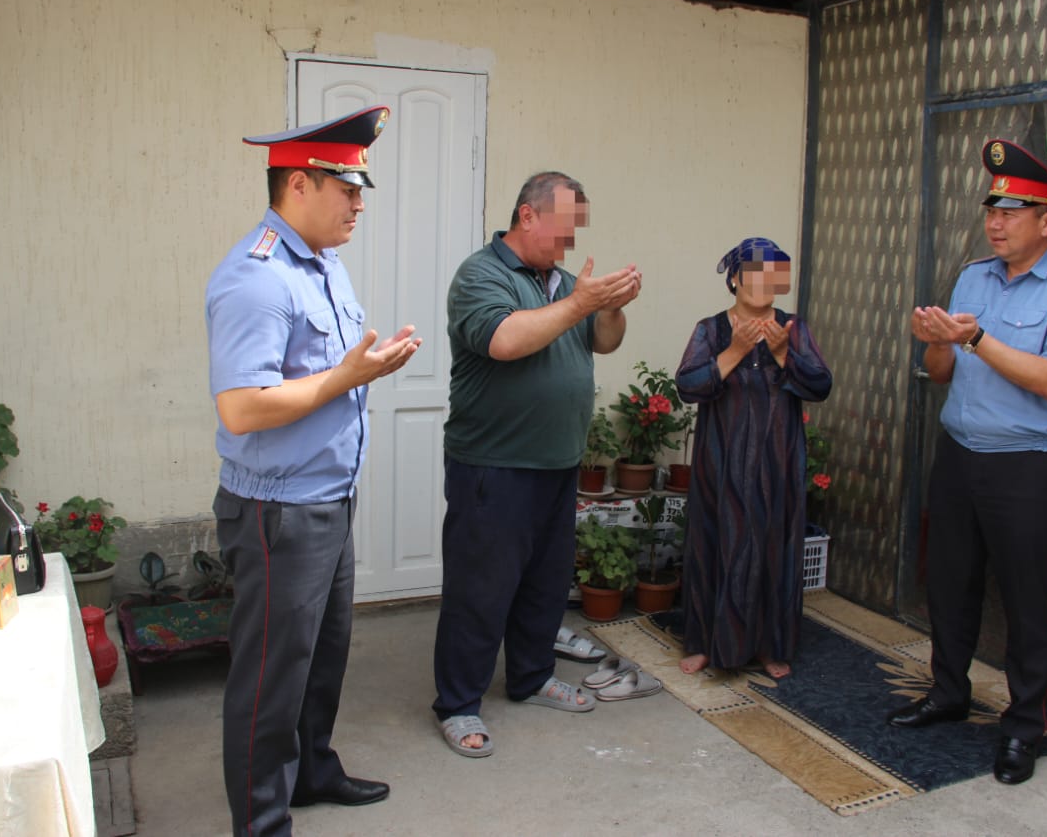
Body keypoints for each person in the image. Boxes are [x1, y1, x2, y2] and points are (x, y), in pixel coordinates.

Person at [205, 105, 422, 835]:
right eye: (347, 188)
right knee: (270, 679)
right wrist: (347, 376)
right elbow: (243, 408)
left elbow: (324, 371)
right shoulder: (258, 278)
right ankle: (261, 821)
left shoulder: (323, 262)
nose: (360, 203)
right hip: (280, 513)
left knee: (322, 657)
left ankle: (312, 771)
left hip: (328, 498)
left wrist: (366, 368)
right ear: (299, 184)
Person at [887, 138, 1047, 786]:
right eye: (992, 210)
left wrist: (977, 337)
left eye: (1012, 212)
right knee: (950, 582)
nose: (996, 222)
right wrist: (935, 343)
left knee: (1026, 598)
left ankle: (1023, 728)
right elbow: (941, 373)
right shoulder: (973, 276)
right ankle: (948, 692)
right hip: (960, 455)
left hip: (1028, 467)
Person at [432, 171, 642, 757]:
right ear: (528, 215)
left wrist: (611, 308)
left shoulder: (566, 283)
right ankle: (458, 704)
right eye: (564, 228)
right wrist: (580, 302)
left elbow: (603, 341)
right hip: (493, 465)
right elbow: (504, 340)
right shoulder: (481, 275)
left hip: (557, 463)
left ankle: (530, 677)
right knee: (480, 592)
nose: (571, 242)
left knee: (544, 587)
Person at [675, 238, 832, 680]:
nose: (763, 283)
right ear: (734, 279)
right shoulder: (710, 330)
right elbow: (687, 385)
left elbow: (821, 385)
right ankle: (704, 642)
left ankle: (771, 645)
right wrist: (734, 353)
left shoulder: (793, 328)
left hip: (777, 461)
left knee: (773, 545)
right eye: (754, 273)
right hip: (720, 460)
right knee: (713, 542)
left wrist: (782, 354)